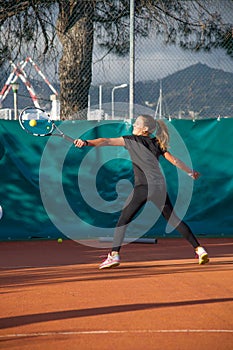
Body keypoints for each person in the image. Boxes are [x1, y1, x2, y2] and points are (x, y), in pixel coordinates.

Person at [74, 115, 209, 269]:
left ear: (145, 129)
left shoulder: (131, 139)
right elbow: (175, 160)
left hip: (143, 187)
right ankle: (199, 249)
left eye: (137, 123)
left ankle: (114, 255)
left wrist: (86, 143)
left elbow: (105, 141)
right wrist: (191, 172)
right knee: (174, 220)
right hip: (159, 187)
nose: (134, 125)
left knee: (123, 220)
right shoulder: (157, 143)